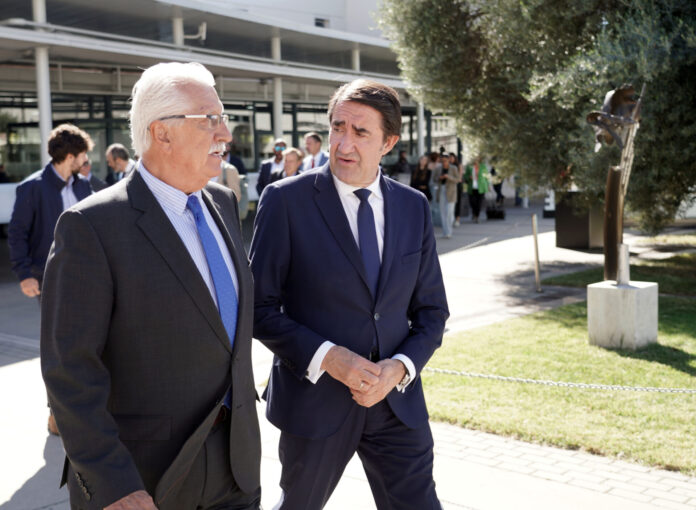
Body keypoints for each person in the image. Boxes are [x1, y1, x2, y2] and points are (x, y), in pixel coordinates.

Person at [41, 62, 261, 510]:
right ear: (162, 133)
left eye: (223, 118)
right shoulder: (91, 225)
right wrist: (113, 483)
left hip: (236, 471)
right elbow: (70, 371)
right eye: (210, 120)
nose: (225, 133)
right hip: (143, 480)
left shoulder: (223, 202)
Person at [251, 78, 449, 510]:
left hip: (396, 404)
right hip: (315, 402)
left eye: (360, 132)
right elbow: (258, 308)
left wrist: (399, 369)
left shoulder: (413, 206)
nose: (344, 144)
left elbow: (432, 311)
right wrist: (329, 358)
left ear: (388, 143)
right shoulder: (285, 201)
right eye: (338, 128)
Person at [8, 123, 93, 303]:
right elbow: (17, 233)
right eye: (83, 154)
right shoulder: (32, 188)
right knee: (57, 322)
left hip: (85, 271)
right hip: (49, 275)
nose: (86, 159)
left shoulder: (83, 185)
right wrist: (24, 274)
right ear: (70, 157)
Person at [433, 152, 461, 238]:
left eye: (445, 160)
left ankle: (449, 231)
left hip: (451, 192)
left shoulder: (454, 168)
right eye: (442, 161)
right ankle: (445, 232)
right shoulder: (438, 168)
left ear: (449, 160)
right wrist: (439, 178)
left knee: (449, 212)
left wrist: (449, 177)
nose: (444, 162)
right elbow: (434, 179)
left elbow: (458, 179)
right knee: (443, 212)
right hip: (441, 190)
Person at [463, 156, 490, 223]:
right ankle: (474, 213)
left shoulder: (483, 166)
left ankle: (477, 216)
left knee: (479, 203)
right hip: (472, 187)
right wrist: (469, 177)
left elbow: (487, 176)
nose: (476, 160)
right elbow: (465, 176)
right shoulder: (469, 167)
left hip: (481, 187)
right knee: (472, 202)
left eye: (477, 158)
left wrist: (488, 185)